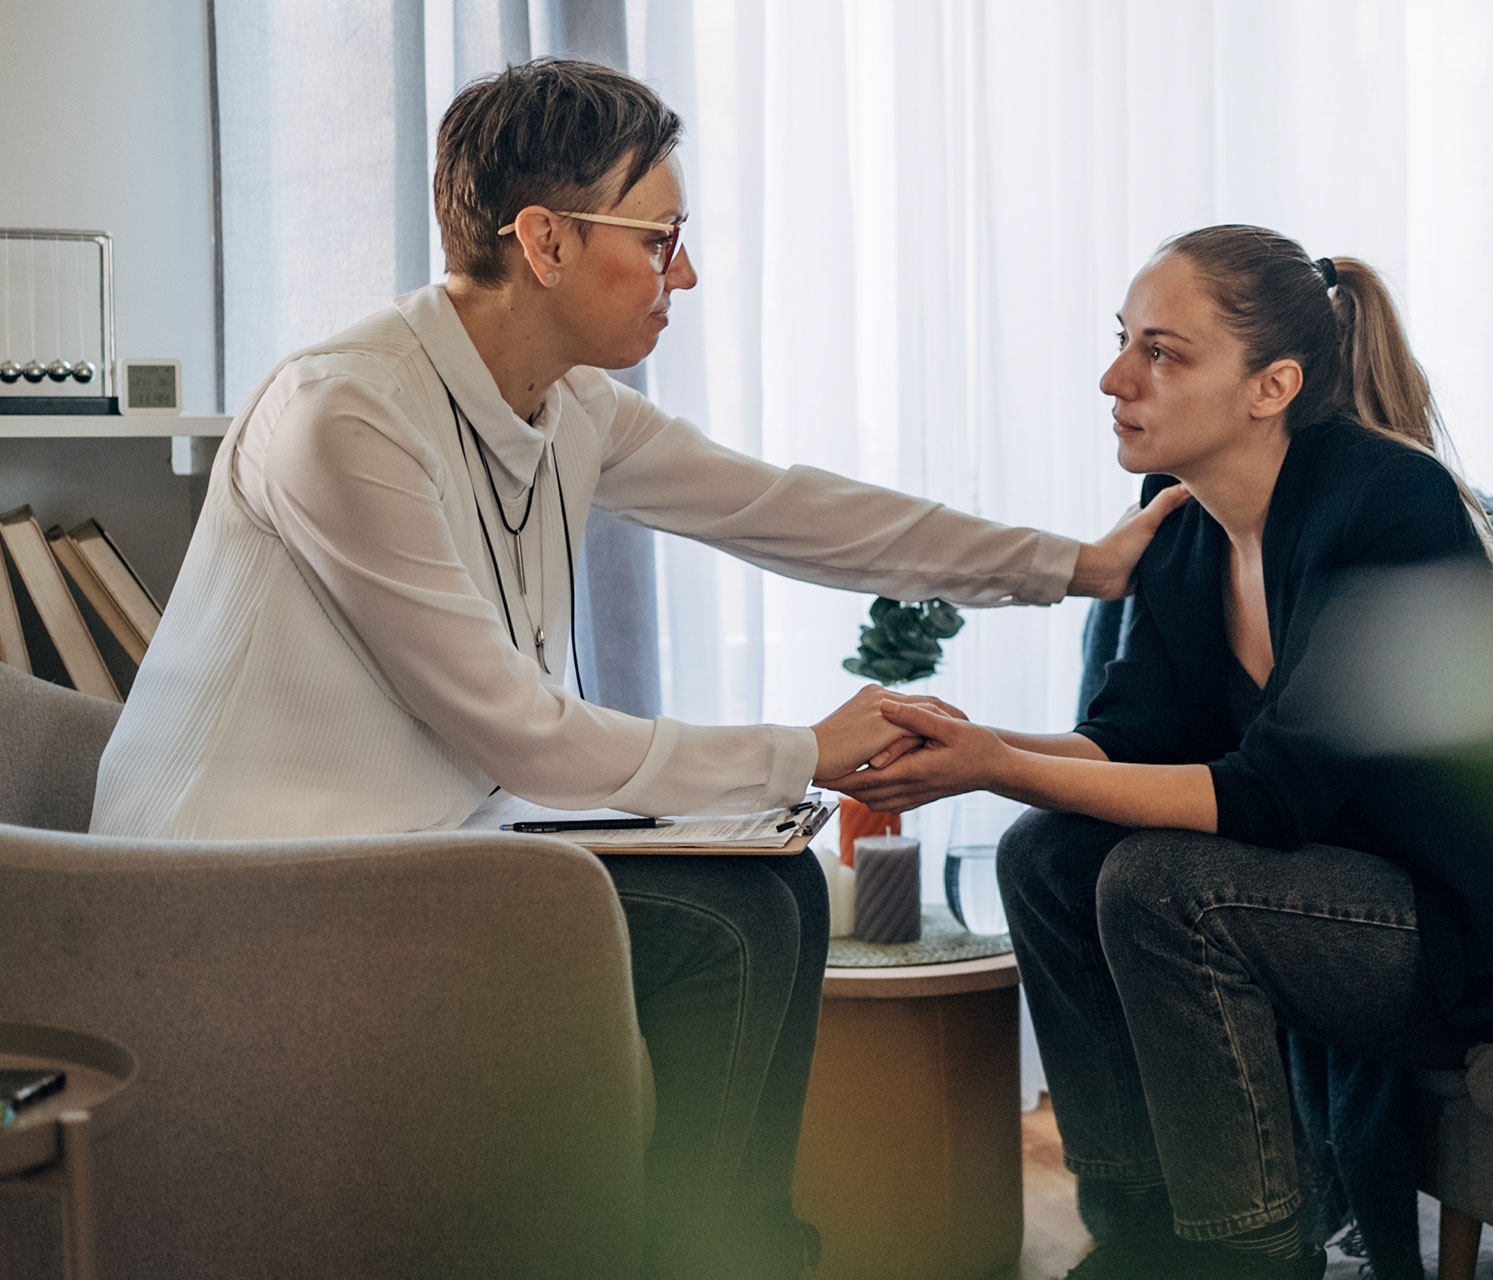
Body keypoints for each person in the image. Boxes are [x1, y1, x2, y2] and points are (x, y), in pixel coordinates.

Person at [88, 60, 1183, 1280]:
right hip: (224, 896)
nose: (688, 274)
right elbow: (525, 733)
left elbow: (794, 511)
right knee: (720, 924)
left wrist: (1079, 565)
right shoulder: (345, 413)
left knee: (773, 895)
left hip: (417, 850)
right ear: (545, 241)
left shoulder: (570, 406)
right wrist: (800, 752)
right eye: (661, 240)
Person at [831, 225, 1493, 1280]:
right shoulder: (1185, 526)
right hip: (1362, 894)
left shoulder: (1390, 500)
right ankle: (1137, 1225)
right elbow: (1132, 737)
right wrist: (966, 742)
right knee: (1044, 853)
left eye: (1162, 351)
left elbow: (1274, 793)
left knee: (1169, 884)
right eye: (1124, 340)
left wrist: (997, 762)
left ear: (1273, 385)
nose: (1116, 376)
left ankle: (1249, 1253)